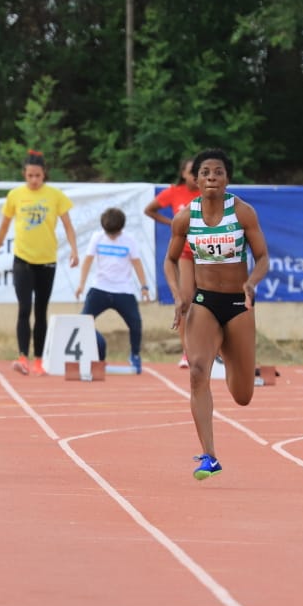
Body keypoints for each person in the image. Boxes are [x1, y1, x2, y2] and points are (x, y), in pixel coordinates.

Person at [164, 149, 268, 481]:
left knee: (243, 396)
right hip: (204, 302)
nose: (211, 177)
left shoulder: (242, 212)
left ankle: (226, 346)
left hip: (238, 304)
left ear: (227, 179)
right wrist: (179, 295)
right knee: (196, 371)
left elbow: (263, 257)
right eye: (204, 172)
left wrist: (251, 282)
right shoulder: (185, 217)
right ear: (194, 179)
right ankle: (209, 455)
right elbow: (170, 260)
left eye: (218, 172)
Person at [0, 150, 78, 375]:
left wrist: (75, 250)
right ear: (24, 174)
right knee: (24, 308)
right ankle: (22, 357)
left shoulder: (56, 196)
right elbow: (3, 227)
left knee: (41, 310)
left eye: (38, 176)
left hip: (47, 260)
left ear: (44, 174)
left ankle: (38, 360)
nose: (34, 180)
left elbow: (67, 225)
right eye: (30, 176)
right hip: (23, 259)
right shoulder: (15, 195)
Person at [74, 206, 150, 371]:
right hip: (100, 288)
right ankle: (90, 355)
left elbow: (137, 263)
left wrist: (144, 287)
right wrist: (81, 284)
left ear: (121, 229)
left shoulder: (130, 240)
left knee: (136, 324)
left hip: (123, 290)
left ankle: (135, 355)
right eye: (109, 233)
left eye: (115, 234)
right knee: (83, 323)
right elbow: (87, 261)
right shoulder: (97, 237)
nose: (112, 236)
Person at [145, 156, 200, 368]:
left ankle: (212, 350)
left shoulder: (209, 194)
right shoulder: (175, 192)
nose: (195, 177)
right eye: (191, 172)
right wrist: (171, 223)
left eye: (199, 172)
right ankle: (187, 353)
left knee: (209, 304)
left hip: (208, 254)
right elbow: (149, 209)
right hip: (185, 253)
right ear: (183, 174)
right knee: (186, 302)